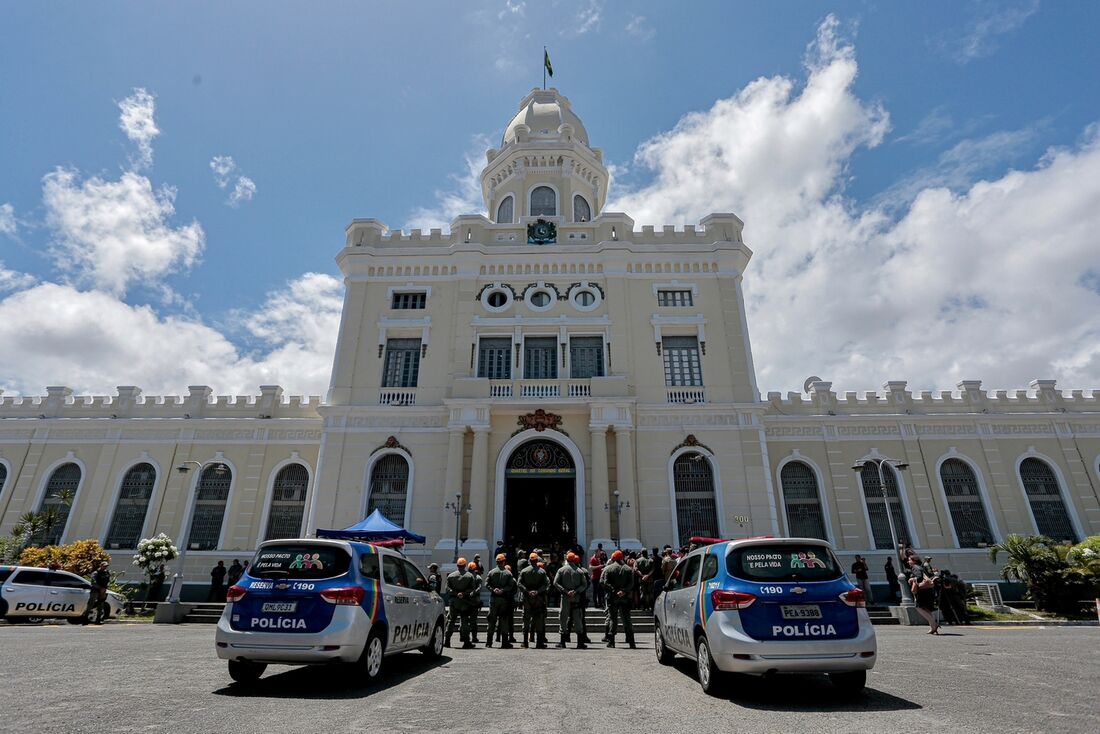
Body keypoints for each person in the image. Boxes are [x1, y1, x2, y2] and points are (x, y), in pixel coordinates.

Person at [553, 552, 588, 649]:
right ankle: (580, 643)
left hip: (565, 598)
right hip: (576, 598)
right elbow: (584, 585)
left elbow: (555, 583)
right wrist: (575, 591)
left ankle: (562, 642)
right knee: (577, 619)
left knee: (563, 618)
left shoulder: (561, 570)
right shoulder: (579, 571)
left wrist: (565, 591)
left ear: (567, 560)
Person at [601, 550, 636, 648]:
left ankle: (611, 641)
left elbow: (605, 582)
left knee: (613, 619)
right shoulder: (628, 569)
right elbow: (631, 584)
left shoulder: (609, 569)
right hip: (625, 598)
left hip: (613, 597)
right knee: (627, 619)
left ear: (614, 558)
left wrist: (615, 591)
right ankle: (631, 642)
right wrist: (624, 591)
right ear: (622, 557)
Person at [445, 558, 479, 648]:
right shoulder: (469, 576)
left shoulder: (451, 576)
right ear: (464, 565)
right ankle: (466, 642)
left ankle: (447, 641)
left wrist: (456, 593)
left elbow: (447, 589)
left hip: (454, 601)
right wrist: (463, 593)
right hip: (465, 602)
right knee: (464, 622)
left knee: (451, 621)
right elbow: (472, 589)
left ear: (457, 565)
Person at [518, 553, 549, 648]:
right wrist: (537, 591)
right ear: (537, 561)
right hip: (538, 599)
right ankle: (539, 643)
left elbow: (519, 584)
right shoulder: (542, 572)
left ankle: (525, 642)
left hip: (527, 599)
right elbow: (547, 584)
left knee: (526, 619)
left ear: (529, 560)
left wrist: (527, 591)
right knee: (538, 619)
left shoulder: (524, 571)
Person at [484, 554, 516, 648]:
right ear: (503, 562)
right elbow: (510, 586)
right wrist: (503, 590)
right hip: (503, 600)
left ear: (497, 562)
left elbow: (486, 584)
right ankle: (504, 642)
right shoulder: (508, 573)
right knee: (504, 621)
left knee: (491, 621)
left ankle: (489, 642)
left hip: (494, 599)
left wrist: (493, 589)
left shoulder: (491, 572)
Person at [908, 559, 939, 634]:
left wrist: (912, 579)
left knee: (919, 607)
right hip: (927, 591)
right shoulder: (920, 567)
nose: (908, 561)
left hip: (922, 592)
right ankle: (932, 627)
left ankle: (934, 624)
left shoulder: (915, 567)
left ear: (914, 561)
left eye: (909, 560)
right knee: (926, 609)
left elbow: (919, 577)